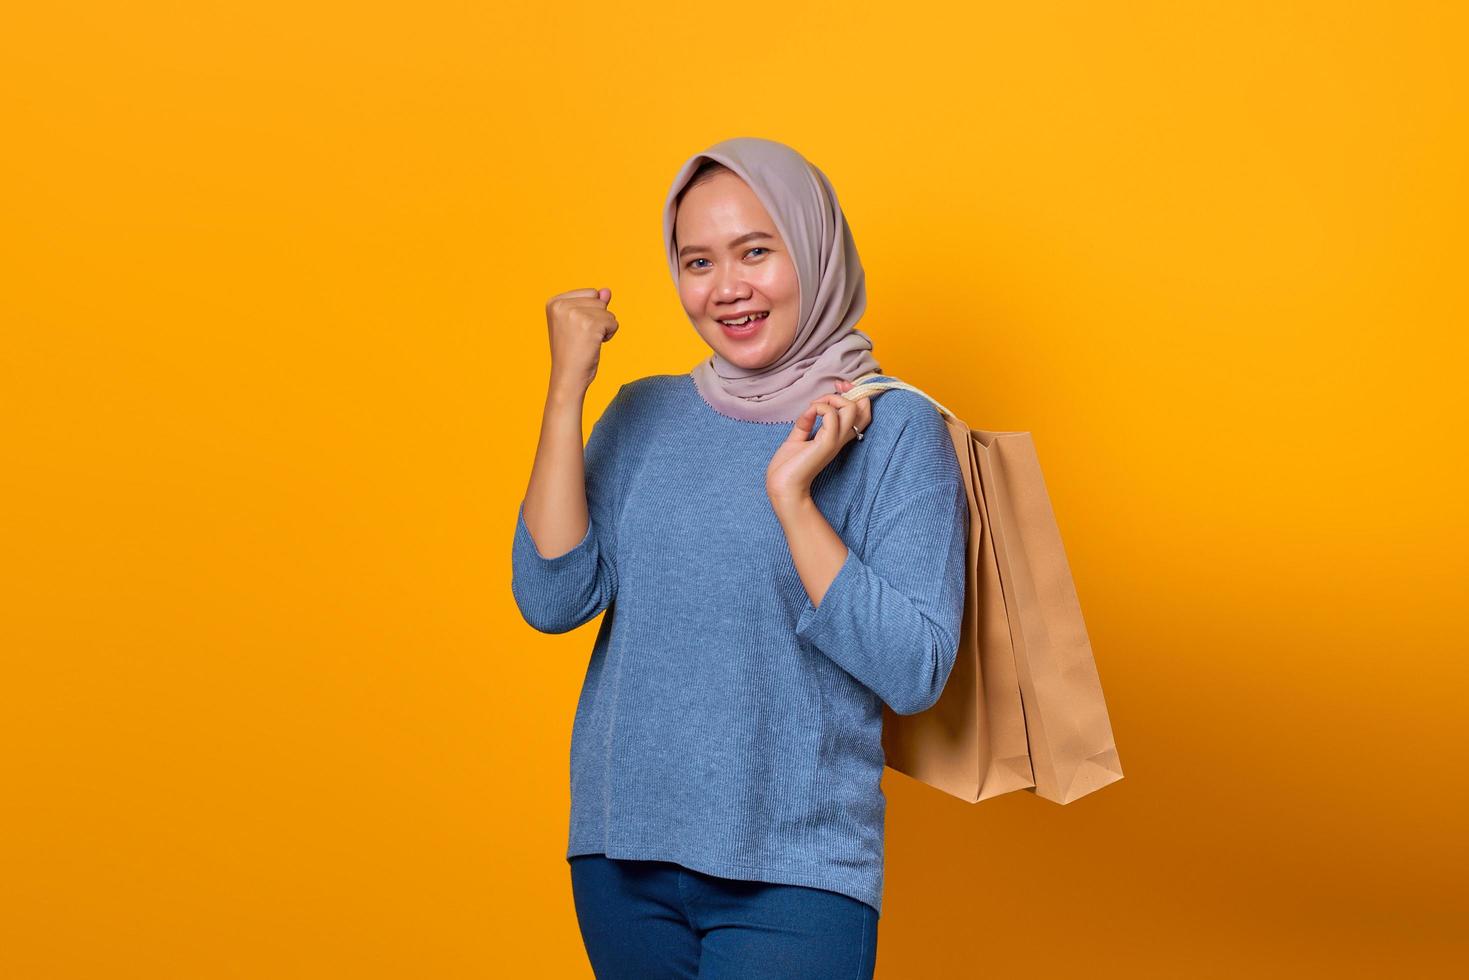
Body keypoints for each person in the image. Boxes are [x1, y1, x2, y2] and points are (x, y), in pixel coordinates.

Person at [511, 137, 968, 979]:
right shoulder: (642, 412)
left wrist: (793, 499)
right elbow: (552, 597)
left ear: (814, 247)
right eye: (697, 262)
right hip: (621, 855)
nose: (726, 289)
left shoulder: (895, 430)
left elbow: (913, 670)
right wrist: (566, 390)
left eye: (756, 251)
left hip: (793, 873)